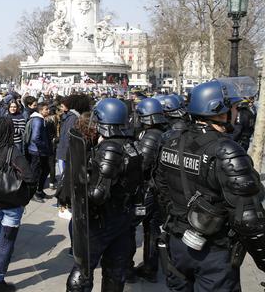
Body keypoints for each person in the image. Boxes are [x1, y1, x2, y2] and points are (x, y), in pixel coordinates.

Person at [155, 80, 265, 291]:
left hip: (176, 243)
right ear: (219, 110)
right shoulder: (226, 150)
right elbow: (248, 218)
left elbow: (161, 189)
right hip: (213, 252)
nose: (236, 112)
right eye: (233, 107)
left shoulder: (171, 140)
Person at [66, 98, 142, 292]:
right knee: (115, 272)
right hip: (123, 217)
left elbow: (98, 194)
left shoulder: (110, 147)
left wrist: (85, 182)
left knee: (82, 273)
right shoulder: (132, 144)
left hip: (102, 221)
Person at [0, 117, 37, 292]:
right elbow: (30, 177)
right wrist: (25, 198)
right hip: (12, 203)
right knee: (6, 241)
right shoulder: (13, 152)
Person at [127, 97, 169, 284]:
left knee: (129, 227)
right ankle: (150, 268)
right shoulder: (160, 132)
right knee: (151, 229)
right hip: (155, 189)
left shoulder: (152, 135)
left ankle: (127, 269)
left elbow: (142, 163)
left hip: (147, 190)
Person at [27, 103, 52, 202]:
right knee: (36, 173)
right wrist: (45, 146)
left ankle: (39, 191)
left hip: (39, 151)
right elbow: (35, 138)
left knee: (45, 170)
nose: (48, 111)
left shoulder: (40, 120)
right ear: (41, 111)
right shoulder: (38, 121)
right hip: (37, 151)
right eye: (46, 109)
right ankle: (33, 193)